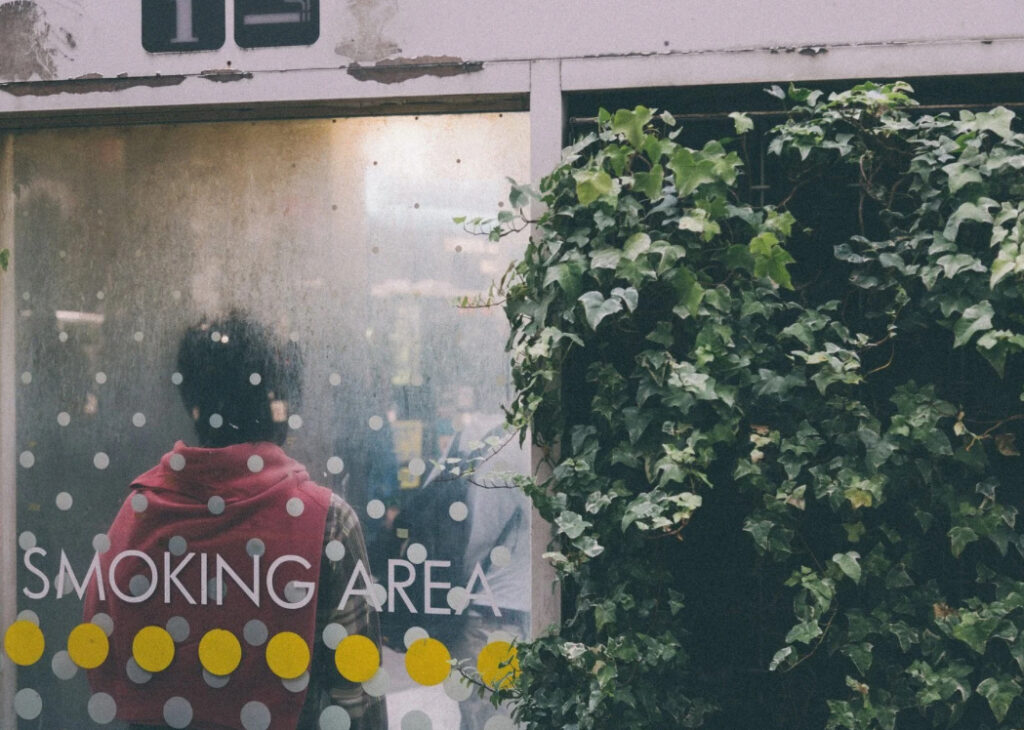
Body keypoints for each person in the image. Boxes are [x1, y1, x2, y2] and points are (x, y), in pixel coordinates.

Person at [83, 312, 387, 729]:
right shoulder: (328, 520)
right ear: (278, 404)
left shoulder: (137, 514)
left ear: (193, 403)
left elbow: (102, 659)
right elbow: (356, 698)